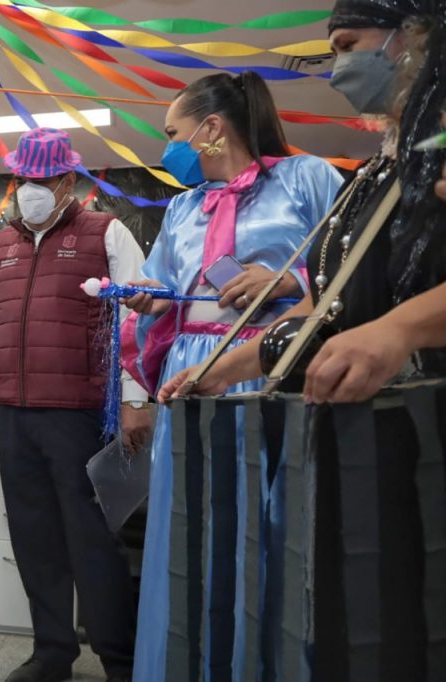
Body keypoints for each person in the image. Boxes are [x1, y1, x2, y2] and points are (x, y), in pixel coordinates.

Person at [158, 1, 446, 677]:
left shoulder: (355, 170)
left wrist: (398, 329)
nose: (339, 65)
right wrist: (226, 368)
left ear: (417, 35)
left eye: (348, 43)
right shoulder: (382, 168)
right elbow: (329, 305)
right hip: (366, 443)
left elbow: (364, 313)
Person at [121, 72, 344, 681]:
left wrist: (290, 280)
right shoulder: (182, 207)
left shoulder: (306, 179)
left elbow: (356, 266)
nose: (168, 148)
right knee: (189, 527)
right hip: (193, 376)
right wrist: (153, 298)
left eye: (173, 134)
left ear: (211, 128)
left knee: (276, 524)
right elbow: (168, 287)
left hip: (274, 369)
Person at [0, 127, 151, 682]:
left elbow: (135, 321)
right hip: (13, 413)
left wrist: (135, 398)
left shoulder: (106, 234)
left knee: (92, 539)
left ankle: (119, 659)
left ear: (68, 181)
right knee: (33, 536)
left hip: (78, 411)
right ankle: (52, 653)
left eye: (43, 180)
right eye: (24, 179)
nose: (31, 189)